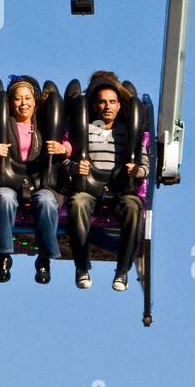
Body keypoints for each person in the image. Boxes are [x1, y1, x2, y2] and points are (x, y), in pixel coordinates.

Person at [0, 75, 70, 284]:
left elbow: (68, 144)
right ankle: (4, 255)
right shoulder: (3, 124)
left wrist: (63, 149)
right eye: (18, 99)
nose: (23, 103)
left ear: (35, 100)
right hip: (9, 180)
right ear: (10, 103)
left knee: (46, 201)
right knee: (4, 198)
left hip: (40, 180)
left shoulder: (43, 123)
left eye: (27, 98)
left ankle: (44, 258)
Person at [67, 71, 148, 291]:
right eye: (102, 103)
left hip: (120, 189)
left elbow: (145, 163)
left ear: (120, 106)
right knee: (77, 203)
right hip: (91, 188)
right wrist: (75, 167)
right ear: (94, 107)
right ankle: (82, 266)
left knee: (134, 207)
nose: (107, 107)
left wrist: (138, 171)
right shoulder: (86, 130)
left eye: (112, 102)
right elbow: (64, 161)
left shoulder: (128, 132)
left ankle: (122, 271)